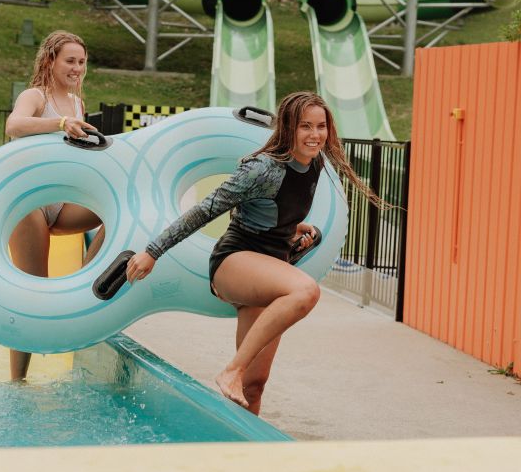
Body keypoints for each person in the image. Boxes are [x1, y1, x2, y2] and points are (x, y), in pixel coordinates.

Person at [126, 91, 384, 413]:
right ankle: (231, 369)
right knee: (305, 291)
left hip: (270, 265)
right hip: (234, 261)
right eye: (305, 126)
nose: (315, 135)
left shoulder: (316, 164)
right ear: (288, 128)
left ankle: (243, 455)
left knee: (255, 386)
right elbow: (205, 210)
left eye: (321, 126)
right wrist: (153, 251)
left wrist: (292, 229)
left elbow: (271, 210)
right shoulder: (263, 169)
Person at [5, 29, 105, 381]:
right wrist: (60, 123)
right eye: (70, 61)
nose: (77, 68)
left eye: (82, 62)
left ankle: (82, 284)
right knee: (33, 292)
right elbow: (14, 125)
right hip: (29, 204)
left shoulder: (77, 103)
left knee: (117, 214)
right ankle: (18, 380)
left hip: (61, 203)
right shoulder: (36, 95)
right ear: (50, 60)